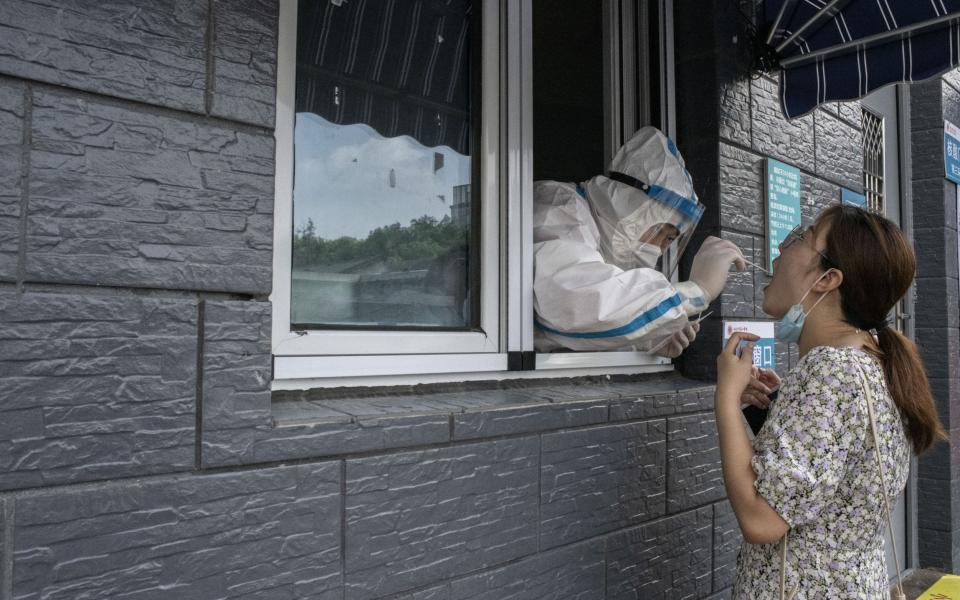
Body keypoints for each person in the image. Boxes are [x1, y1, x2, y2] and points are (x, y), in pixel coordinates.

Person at [715, 205, 946, 598]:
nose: (780, 250)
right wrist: (773, 409)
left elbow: (760, 520)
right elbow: (830, 474)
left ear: (827, 279)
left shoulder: (831, 371)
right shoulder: (871, 358)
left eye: (802, 237)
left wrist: (724, 397)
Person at [533, 126, 746, 356]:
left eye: (670, 239)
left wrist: (647, 339)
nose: (660, 247)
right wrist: (697, 290)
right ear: (630, 206)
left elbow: (586, 333)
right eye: (661, 231)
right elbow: (573, 305)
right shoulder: (559, 205)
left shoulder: (603, 241)